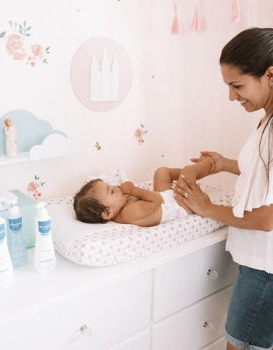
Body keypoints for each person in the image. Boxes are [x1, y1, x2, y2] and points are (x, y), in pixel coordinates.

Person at [174, 28, 273, 350]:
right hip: (261, 268)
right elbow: (264, 172)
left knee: (238, 345)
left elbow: (266, 218)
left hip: (266, 271)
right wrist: (224, 163)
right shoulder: (266, 119)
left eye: (237, 85)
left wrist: (205, 208)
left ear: (270, 74)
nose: (232, 96)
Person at [73, 156, 214, 227]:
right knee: (187, 178)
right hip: (177, 205)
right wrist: (134, 190)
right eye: (111, 192)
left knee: (161, 172)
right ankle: (205, 166)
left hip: (165, 198)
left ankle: (195, 173)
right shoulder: (128, 213)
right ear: (107, 213)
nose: (116, 187)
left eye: (111, 186)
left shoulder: (119, 206)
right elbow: (156, 200)